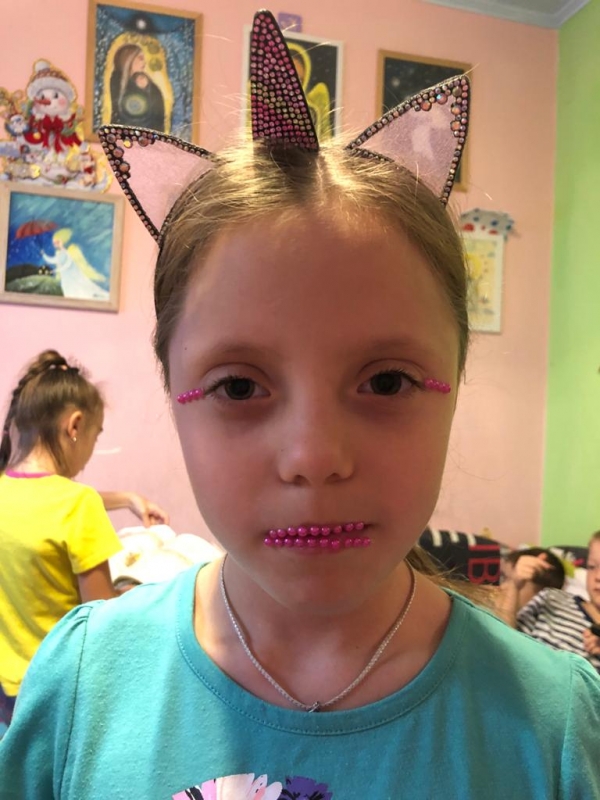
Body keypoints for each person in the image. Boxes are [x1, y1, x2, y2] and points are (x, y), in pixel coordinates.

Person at [1, 11, 599, 798]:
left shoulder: (554, 730)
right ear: (173, 390)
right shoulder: (82, 687)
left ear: (456, 378)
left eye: (387, 382)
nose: (314, 457)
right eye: (238, 387)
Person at [0, 349, 169, 733]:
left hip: (9, 692)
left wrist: (128, 499)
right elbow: (101, 615)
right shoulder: (78, 504)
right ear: (75, 426)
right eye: (97, 434)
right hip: (58, 691)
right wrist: (136, 588)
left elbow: (47, 501)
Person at [496, 537, 600, 672]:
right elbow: (501, 641)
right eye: (592, 566)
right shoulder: (552, 598)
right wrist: (514, 584)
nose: (598, 576)